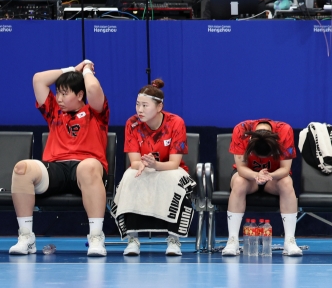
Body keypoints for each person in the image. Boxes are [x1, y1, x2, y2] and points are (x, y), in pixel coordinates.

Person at [10, 60, 109, 256]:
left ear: (80, 95)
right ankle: (26, 237)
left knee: (87, 167)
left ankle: (96, 237)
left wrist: (87, 70)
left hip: (87, 170)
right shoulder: (54, 111)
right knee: (21, 169)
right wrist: (73, 69)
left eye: (65, 93)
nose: (60, 98)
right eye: (58, 93)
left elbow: (93, 87)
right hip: (56, 169)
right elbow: (38, 79)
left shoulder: (96, 113)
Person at [109, 79, 194, 256]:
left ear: (159, 106)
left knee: (172, 179)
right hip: (144, 168)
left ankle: (173, 239)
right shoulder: (132, 124)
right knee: (130, 177)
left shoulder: (176, 123)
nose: (139, 110)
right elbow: (133, 161)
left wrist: (155, 165)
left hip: (170, 169)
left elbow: (174, 163)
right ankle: (132, 238)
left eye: (145, 105)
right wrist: (143, 165)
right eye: (137, 104)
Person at [221, 119, 303, 256]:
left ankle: (290, 241)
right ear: (250, 140)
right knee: (239, 182)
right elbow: (241, 168)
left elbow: (285, 169)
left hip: (274, 177)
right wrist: (255, 175)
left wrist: (268, 176)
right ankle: (232, 241)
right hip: (248, 177)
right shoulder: (241, 130)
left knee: (287, 183)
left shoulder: (285, 131)